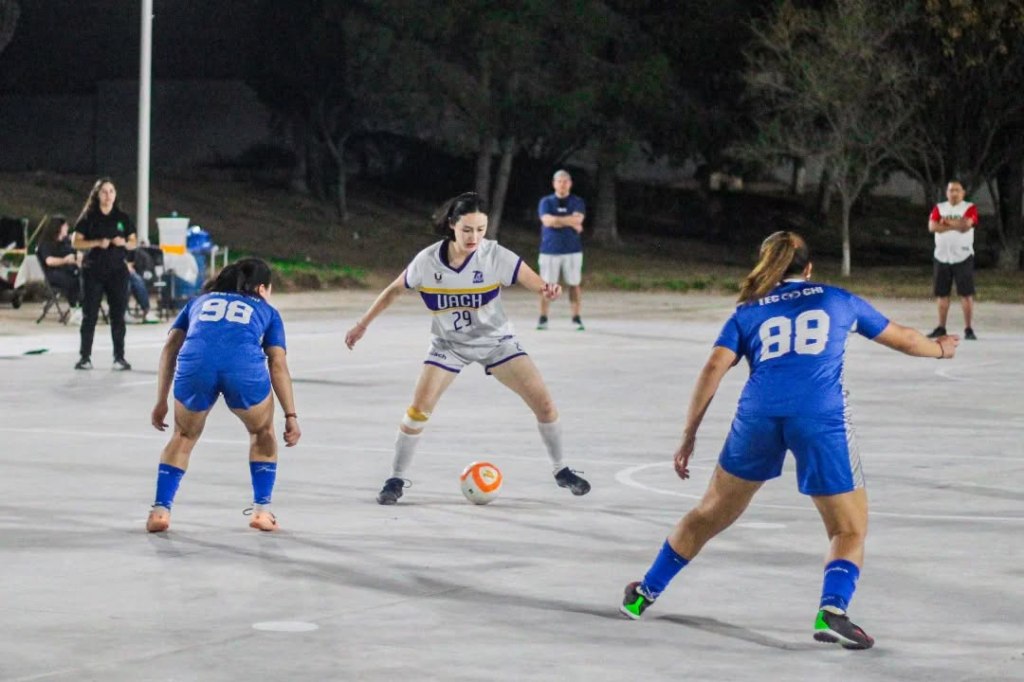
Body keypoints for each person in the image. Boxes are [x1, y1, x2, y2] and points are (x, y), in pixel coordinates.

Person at [618, 231, 959, 650]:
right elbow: (905, 337)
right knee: (849, 529)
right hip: (819, 416)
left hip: (758, 415)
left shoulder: (747, 311)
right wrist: (941, 350)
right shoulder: (837, 299)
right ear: (809, 268)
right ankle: (832, 610)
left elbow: (712, 369)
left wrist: (689, 435)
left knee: (709, 514)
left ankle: (643, 593)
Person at [344, 191, 591, 504]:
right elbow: (394, 290)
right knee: (417, 411)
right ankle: (395, 478)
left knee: (545, 405)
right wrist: (362, 324)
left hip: (497, 343)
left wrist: (548, 288)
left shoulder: (494, 256)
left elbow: (533, 280)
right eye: (467, 229)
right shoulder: (428, 261)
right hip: (449, 345)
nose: (475, 236)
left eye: (481, 229)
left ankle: (561, 470)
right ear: (452, 226)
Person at [147, 258, 300, 533]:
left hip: (197, 367)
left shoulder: (198, 302)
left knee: (183, 436)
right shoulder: (267, 310)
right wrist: (291, 415)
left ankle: (160, 511)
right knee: (263, 432)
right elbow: (277, 363)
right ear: (263, 288)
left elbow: (170, 347)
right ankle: (262, 511)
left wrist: (161, 400)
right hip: (242, 369)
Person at [71, 177, 135, 370]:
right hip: (93, 271)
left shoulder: (122, 218)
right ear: (97, 195)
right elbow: (76, 242)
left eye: (111, 191)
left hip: (117, 272)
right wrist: (97, 243)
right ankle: (85, 357)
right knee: (89, 315)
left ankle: (119, 357)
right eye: (104, 192)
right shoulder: (88, 217)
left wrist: (122, 242)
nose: (108, 196)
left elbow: (133, 241)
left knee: (118, 315)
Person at [927, 180, 979, 340]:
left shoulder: (969, 207)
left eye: (957, 190)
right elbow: (932, 227)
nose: (954, 193)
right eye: (951, 190)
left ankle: (968, 328)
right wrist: (955, 224)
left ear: (962, 192)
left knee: (966, 294)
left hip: (963, 256)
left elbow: (967, 226)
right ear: (946, 192)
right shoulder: (940, 208)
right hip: (942, 256)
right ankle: (941, 327)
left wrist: (946, 222)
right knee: (942, 294)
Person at [536, 169, 586, 331]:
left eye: (565, 181)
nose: (562, 184)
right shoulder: (546, 202)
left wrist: (558, 220)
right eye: (559, 181)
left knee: (574, 283)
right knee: (547, 285)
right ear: (554, 183)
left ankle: (576, 317)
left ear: (570, 183)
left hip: (572, 250)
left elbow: (578, 218)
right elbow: (548, 221)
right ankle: (543, 317)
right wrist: (570, 222)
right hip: (550, 250)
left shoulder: (577, 201)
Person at [35, 214, 83, 323]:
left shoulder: (66, 242)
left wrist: (78, 257)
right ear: (58, 227)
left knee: (88, 277)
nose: (67, 228)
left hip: (70, 269)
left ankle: (82, 308)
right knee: (75, 280)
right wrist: (65, 260)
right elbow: (49, 261)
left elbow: (75, 253)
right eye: (65, 226)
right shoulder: (46, 244)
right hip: (54, 273)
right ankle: (76, 309)